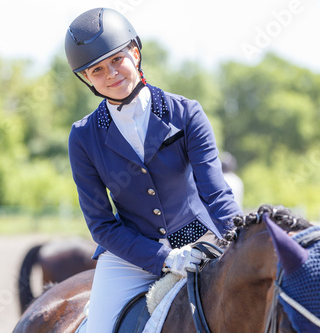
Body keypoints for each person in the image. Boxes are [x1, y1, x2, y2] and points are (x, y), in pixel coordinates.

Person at [65, 8, 242, 332]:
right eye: (97, 69)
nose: (111, 74)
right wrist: (164, 258)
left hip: (200, 240)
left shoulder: (186, 113)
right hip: (131, 255)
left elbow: (216, 195)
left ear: (135, 52)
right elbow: (101, 224)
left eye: (117, 60)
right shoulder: (83, 137)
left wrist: (239, 241)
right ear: (87, 79)